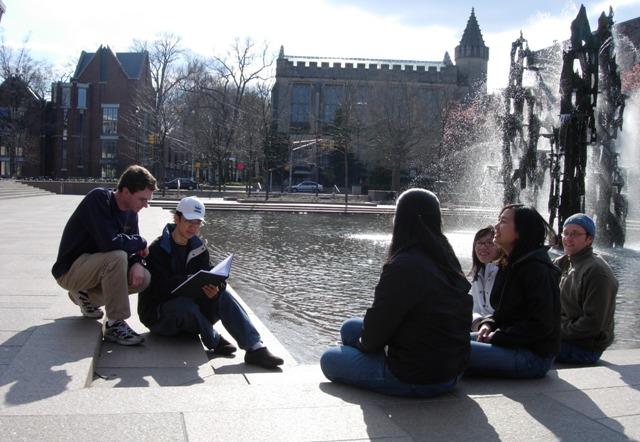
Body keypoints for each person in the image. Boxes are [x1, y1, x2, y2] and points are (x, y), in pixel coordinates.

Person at [320, 188, 472, 397]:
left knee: (329, 359)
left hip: (417, 377)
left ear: (401, 220)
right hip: (453, 371)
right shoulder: (445, 255)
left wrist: (365, 346)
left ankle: (382, 368)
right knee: (350, 328)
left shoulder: (403, 265)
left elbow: (380, 323)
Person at [138, 196, 284, 369]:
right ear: (176, 218)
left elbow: (212, 274)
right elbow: (157, 289)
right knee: (184, 305)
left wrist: (216, 287)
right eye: (189, 221)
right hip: (161, 318)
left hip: (191, 317)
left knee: (224, 295)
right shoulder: (157, 249)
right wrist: (187, 280)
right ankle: (213, 339)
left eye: (198, 223)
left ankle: (255, 347)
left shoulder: (199, 248)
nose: (193, 227)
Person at [52, 165, 156, 346]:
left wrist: (138, 262)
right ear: (125, 191)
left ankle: (84, 296)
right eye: (142, 199)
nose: (145, 205)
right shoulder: (99, 199)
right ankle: (115, 324)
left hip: (95, 270)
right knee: (117, 256)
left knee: (144, 278)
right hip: (70, 271)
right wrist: (141, 241)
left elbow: (134, 246)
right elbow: (110, 243)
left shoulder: (132, 214)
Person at [467, 204, 561, 379]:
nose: (496, 227)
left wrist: (497, 337)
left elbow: (542, 325)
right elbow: (503, 313)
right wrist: (488, 324)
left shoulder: (536, 268)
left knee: (450, 348)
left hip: (533, 357)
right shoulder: (510, 264)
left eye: (503, 222)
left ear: (520, 231)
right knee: (449, 338)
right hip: (511, 345)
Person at [554, 213, 618, 364]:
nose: (568, 238)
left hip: (584, 348)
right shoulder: (563, 262)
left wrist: (554, 331)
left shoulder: (597, 272)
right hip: (563, 336)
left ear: (589, 239)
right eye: (566, 233)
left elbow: (592, 324)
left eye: (575, 234)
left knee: (522, 346)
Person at [468, 225, 502, 331]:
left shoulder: (503, 272)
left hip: (496, 332)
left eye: (489, 243)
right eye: (480, 243)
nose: (483, 247)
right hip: (481, 329)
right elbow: (474, 308)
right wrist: (478, 324)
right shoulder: (478, 272)